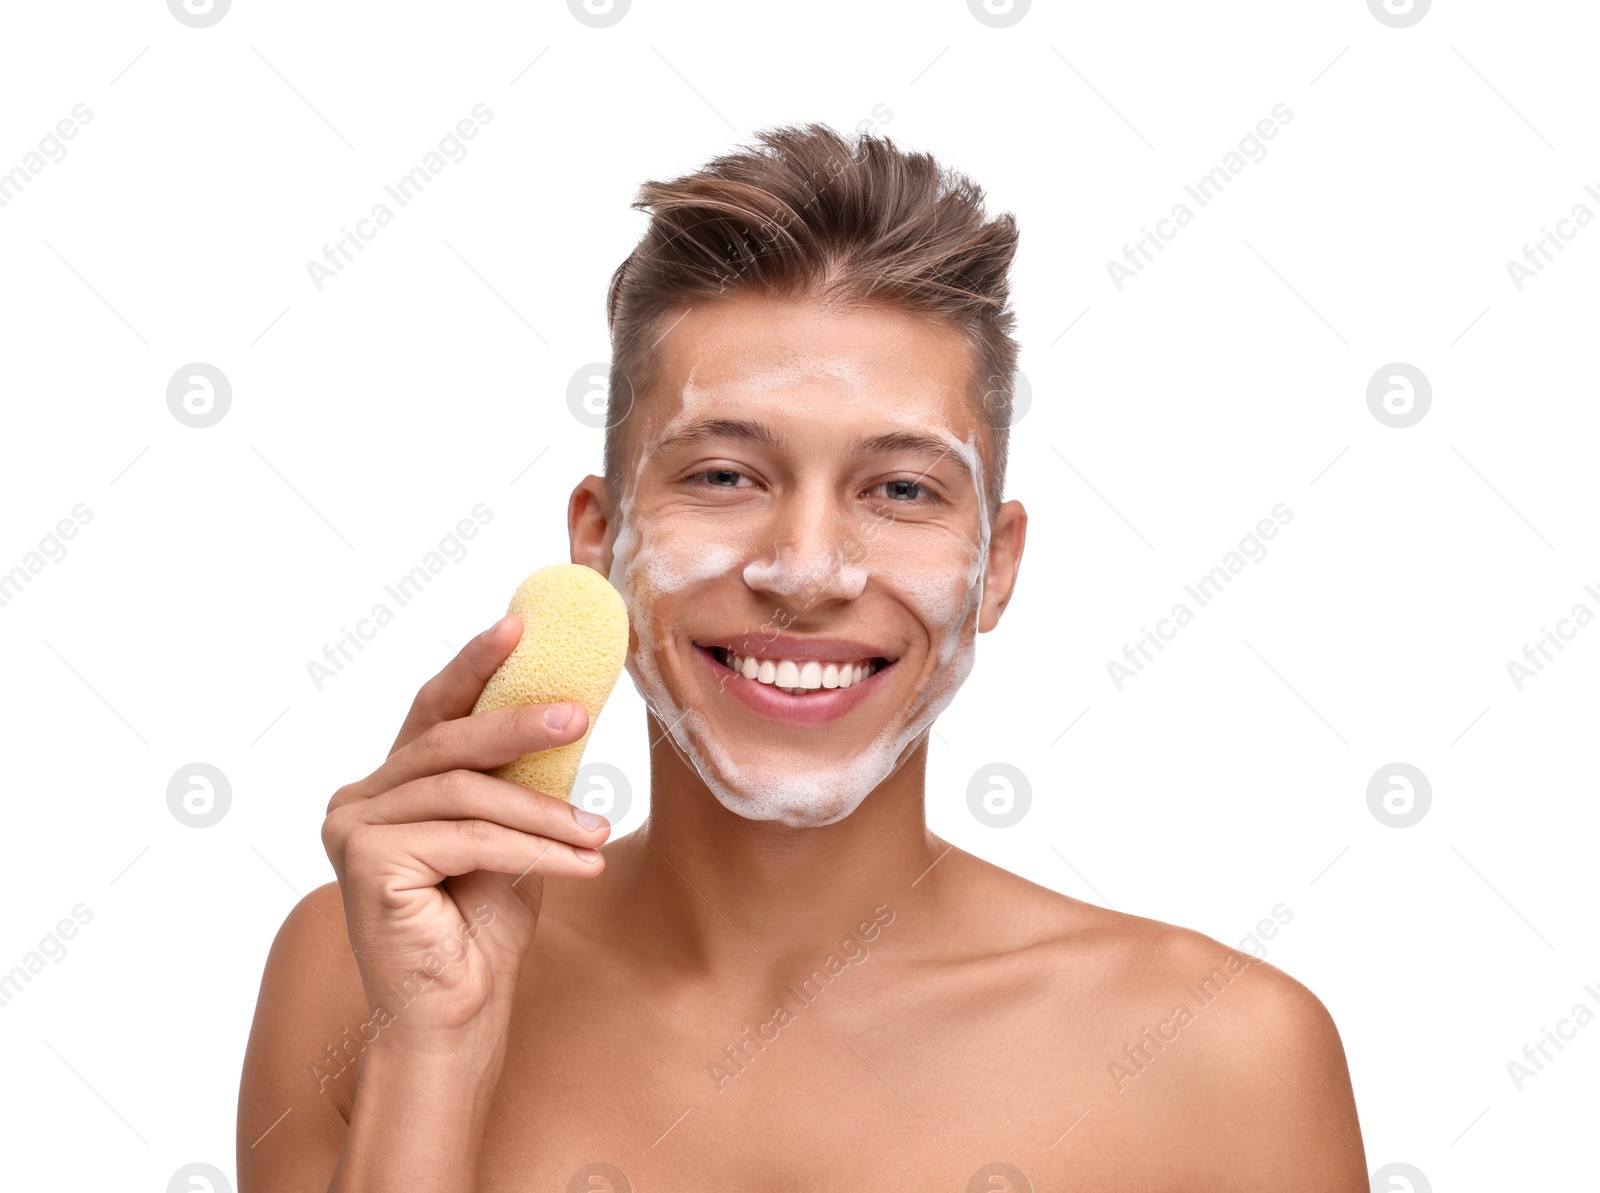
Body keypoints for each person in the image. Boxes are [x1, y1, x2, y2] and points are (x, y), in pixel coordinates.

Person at [237, 122, 1367, 1191]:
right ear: (599, 538)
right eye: (725, 474)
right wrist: (435, 1043)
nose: (808, 566)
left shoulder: (1225, 1055)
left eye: (900, 489)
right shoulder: (362, 969)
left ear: (996, 565)